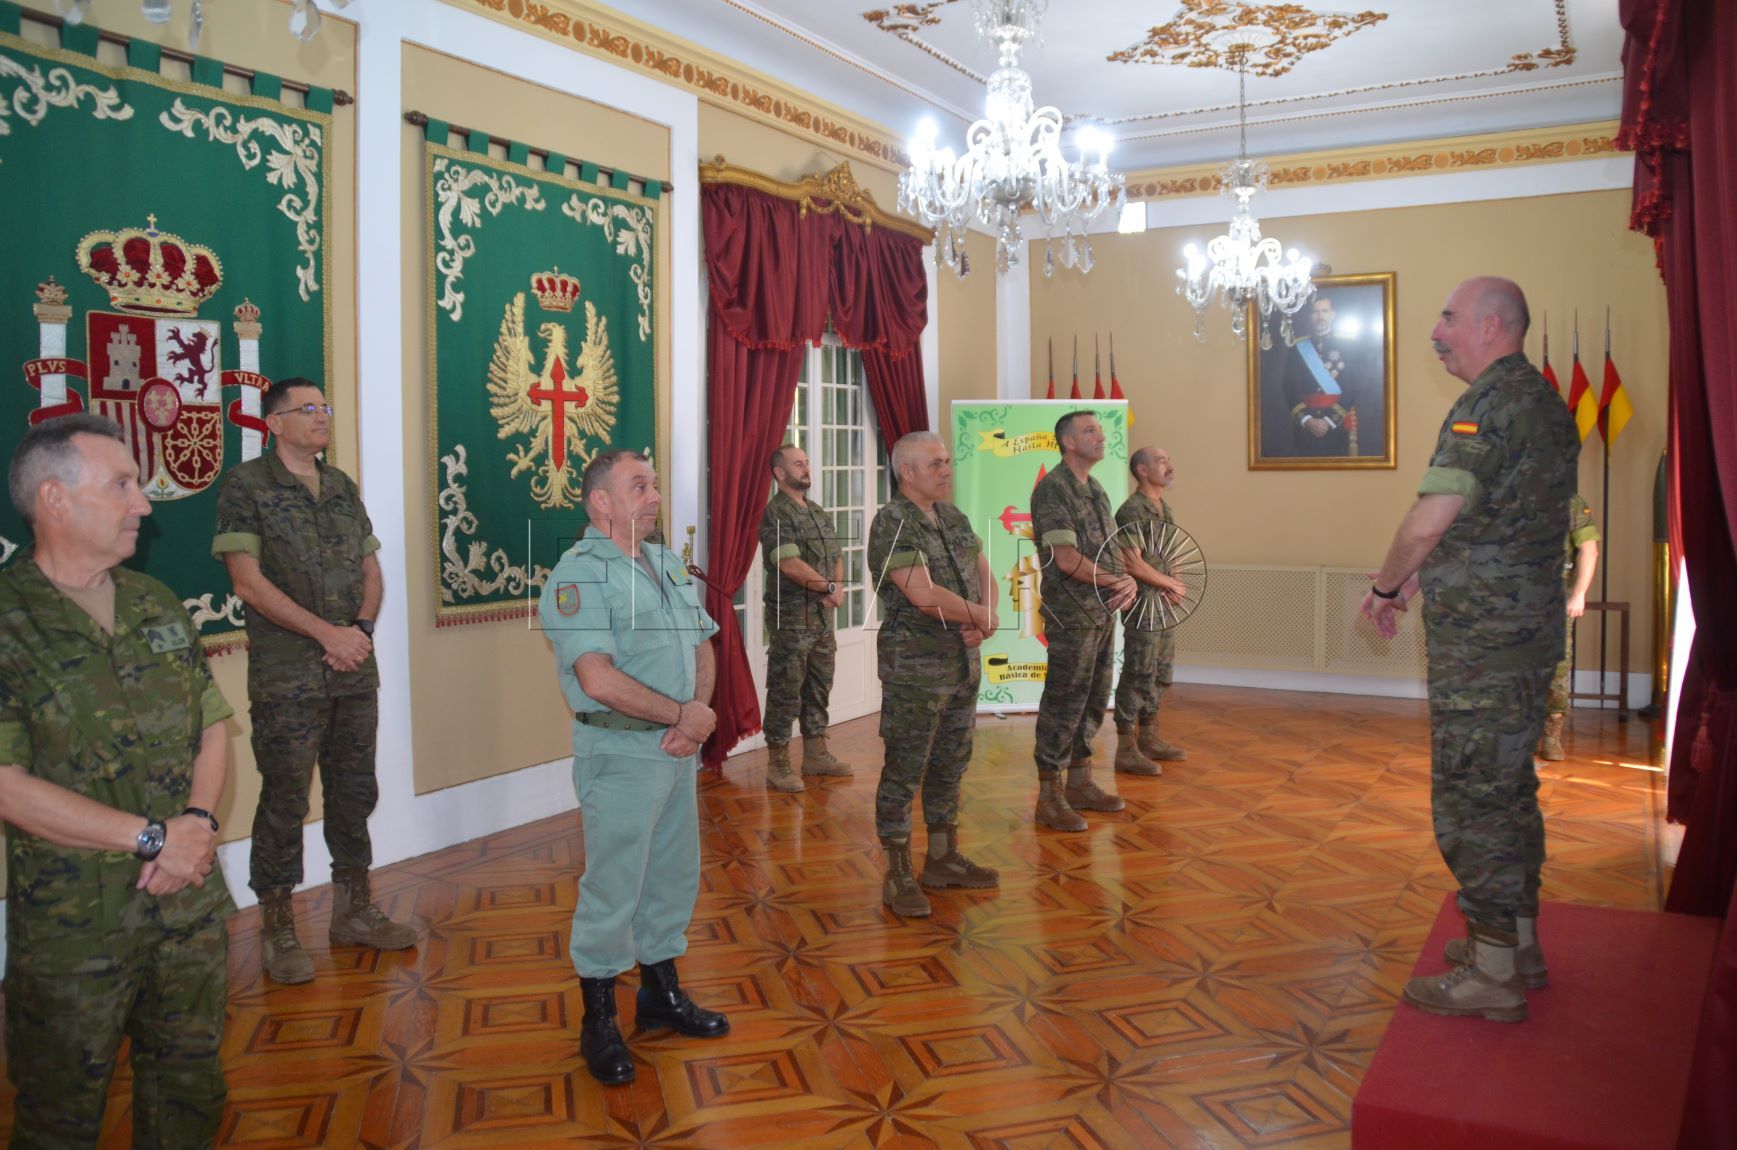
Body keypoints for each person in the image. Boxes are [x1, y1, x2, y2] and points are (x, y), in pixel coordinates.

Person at [0, 415, 233, 1147]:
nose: (145, 503)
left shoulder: (154, 602)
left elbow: (213, 726)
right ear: (55, 501)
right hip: (76, 927)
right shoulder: (8, 622)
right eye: (122, 485)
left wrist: (195, 825)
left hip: (186, 904)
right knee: (60, 1111)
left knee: (190, 1086)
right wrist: (153, 839)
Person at [1360, 276, 1577, 1023]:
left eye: (1448, 318)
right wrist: (1418, 584)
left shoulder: (1486, 405)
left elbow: (1431, 520)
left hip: (1482, 645)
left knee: (1472, 796)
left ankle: (1489, 975)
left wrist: (1388, 587)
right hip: (1527, 631)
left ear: (1491, 325)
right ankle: (1516, 944)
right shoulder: (1545, 403)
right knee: (1510, 785)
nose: (1436, 330)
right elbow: (1496, 525)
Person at [212, 378, 414, 986]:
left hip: (353, 667)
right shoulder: (246, 487)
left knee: (354, 791)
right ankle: (278, 926)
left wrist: (358, 631)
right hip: (288, 676)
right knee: (285, 798)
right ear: (273, 423)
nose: (323, 416)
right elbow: (247, 582)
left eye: (326, 406)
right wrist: (328, 637)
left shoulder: (342, 485)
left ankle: (354, 910)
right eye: (309, 409)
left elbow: (371, 568)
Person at [537, 449, 729, 1085]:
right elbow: (597, 679)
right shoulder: (578, 575)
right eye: (638, 486)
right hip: (621, 753)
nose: (654, 495)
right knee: (614, 887)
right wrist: (681, 714)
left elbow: (703, 642)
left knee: (672, 876)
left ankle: (660, 995)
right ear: (601, 502)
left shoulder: (666, 561)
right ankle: (598, 1021)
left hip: (676, 750)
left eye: (654, 484)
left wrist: (694, 714)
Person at [866, 432, 1001, 919]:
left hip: (961, 665)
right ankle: (898, 872)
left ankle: (942, 857)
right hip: (915, 672)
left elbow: (984, 567)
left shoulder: (953, 516)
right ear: (908, 472)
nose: (946, 470)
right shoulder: (892, 523)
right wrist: (978, 616)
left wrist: (986, 615)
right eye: (937, 463)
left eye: (947, 462)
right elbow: (922, 595)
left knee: (951, 765)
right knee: (905, 770)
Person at [1029, 412, 1138, 831]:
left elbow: (1111, 550)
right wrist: (1119, 579)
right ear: (1068, 442)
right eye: (1090, 430)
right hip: (1072, 613)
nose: (1101, 436)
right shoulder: (1053, 489)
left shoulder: (1095, 488)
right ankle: (1049, 793)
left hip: (1102, 610)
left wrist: (1132, 582)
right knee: (1065, 699)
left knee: (1094, 697)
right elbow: (1067, 559)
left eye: (1100, 430)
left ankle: (1080, 782)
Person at [757, 443, 849, 792]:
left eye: (807, 462)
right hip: (792, 621)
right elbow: (789, 563)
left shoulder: (817, 512)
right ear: (780, 474)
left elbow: (837, 555)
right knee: (785, 690)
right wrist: (828, 588)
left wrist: (835, 587)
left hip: (822, 621)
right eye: (798, 464)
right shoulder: (777, 513)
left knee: (819, 685)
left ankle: (815, 754)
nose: (806, 468)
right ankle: (777, 764)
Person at [1112, 446, 1191, 774]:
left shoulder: (1164, 508)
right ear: (1142, 470)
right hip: (1143, 602)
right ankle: (1126, 747)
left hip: (1163, 603)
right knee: (1139, 671)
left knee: (1160, 670)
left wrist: (1177, 580)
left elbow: (1170, 551)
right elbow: (1132, 562)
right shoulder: (1133, 509)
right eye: (1161, 461)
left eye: (1169, 459)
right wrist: (1167, 584)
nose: (1169, 465)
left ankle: (1150, 736)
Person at [1539, 494, 1600, 761]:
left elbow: (1589, 549)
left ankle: (1552, 735)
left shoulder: (1570, 501)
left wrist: (1579, 594)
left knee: (1556, 665)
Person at [1282, 293, 1378, 457]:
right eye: (1316, 312)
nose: (1320, 317)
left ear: (1332, 314)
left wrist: (1329, 420)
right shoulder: (1298, 348)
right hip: (1305, 429)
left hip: (1337, 425)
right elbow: (1289, 388)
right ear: (1311, 316)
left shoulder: (1349, 346)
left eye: (1324, 311)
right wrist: (1307, 420)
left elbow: (1354, 385)